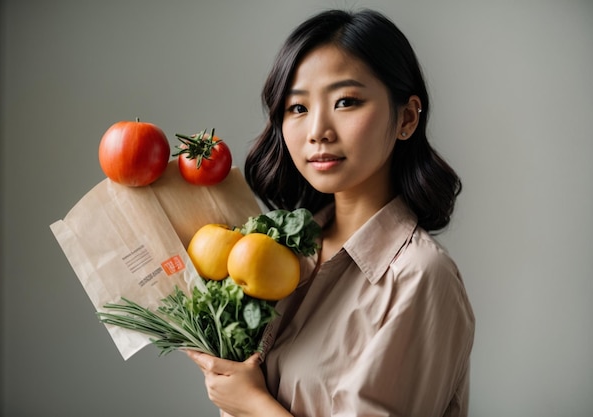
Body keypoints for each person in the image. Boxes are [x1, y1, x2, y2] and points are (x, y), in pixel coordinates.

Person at [187, 8, 475, 417]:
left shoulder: (421, 277)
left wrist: (252, 405)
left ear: (406, 118)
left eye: (346, 101)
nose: (317, 130)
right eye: (297, 108)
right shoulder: (277, 251)